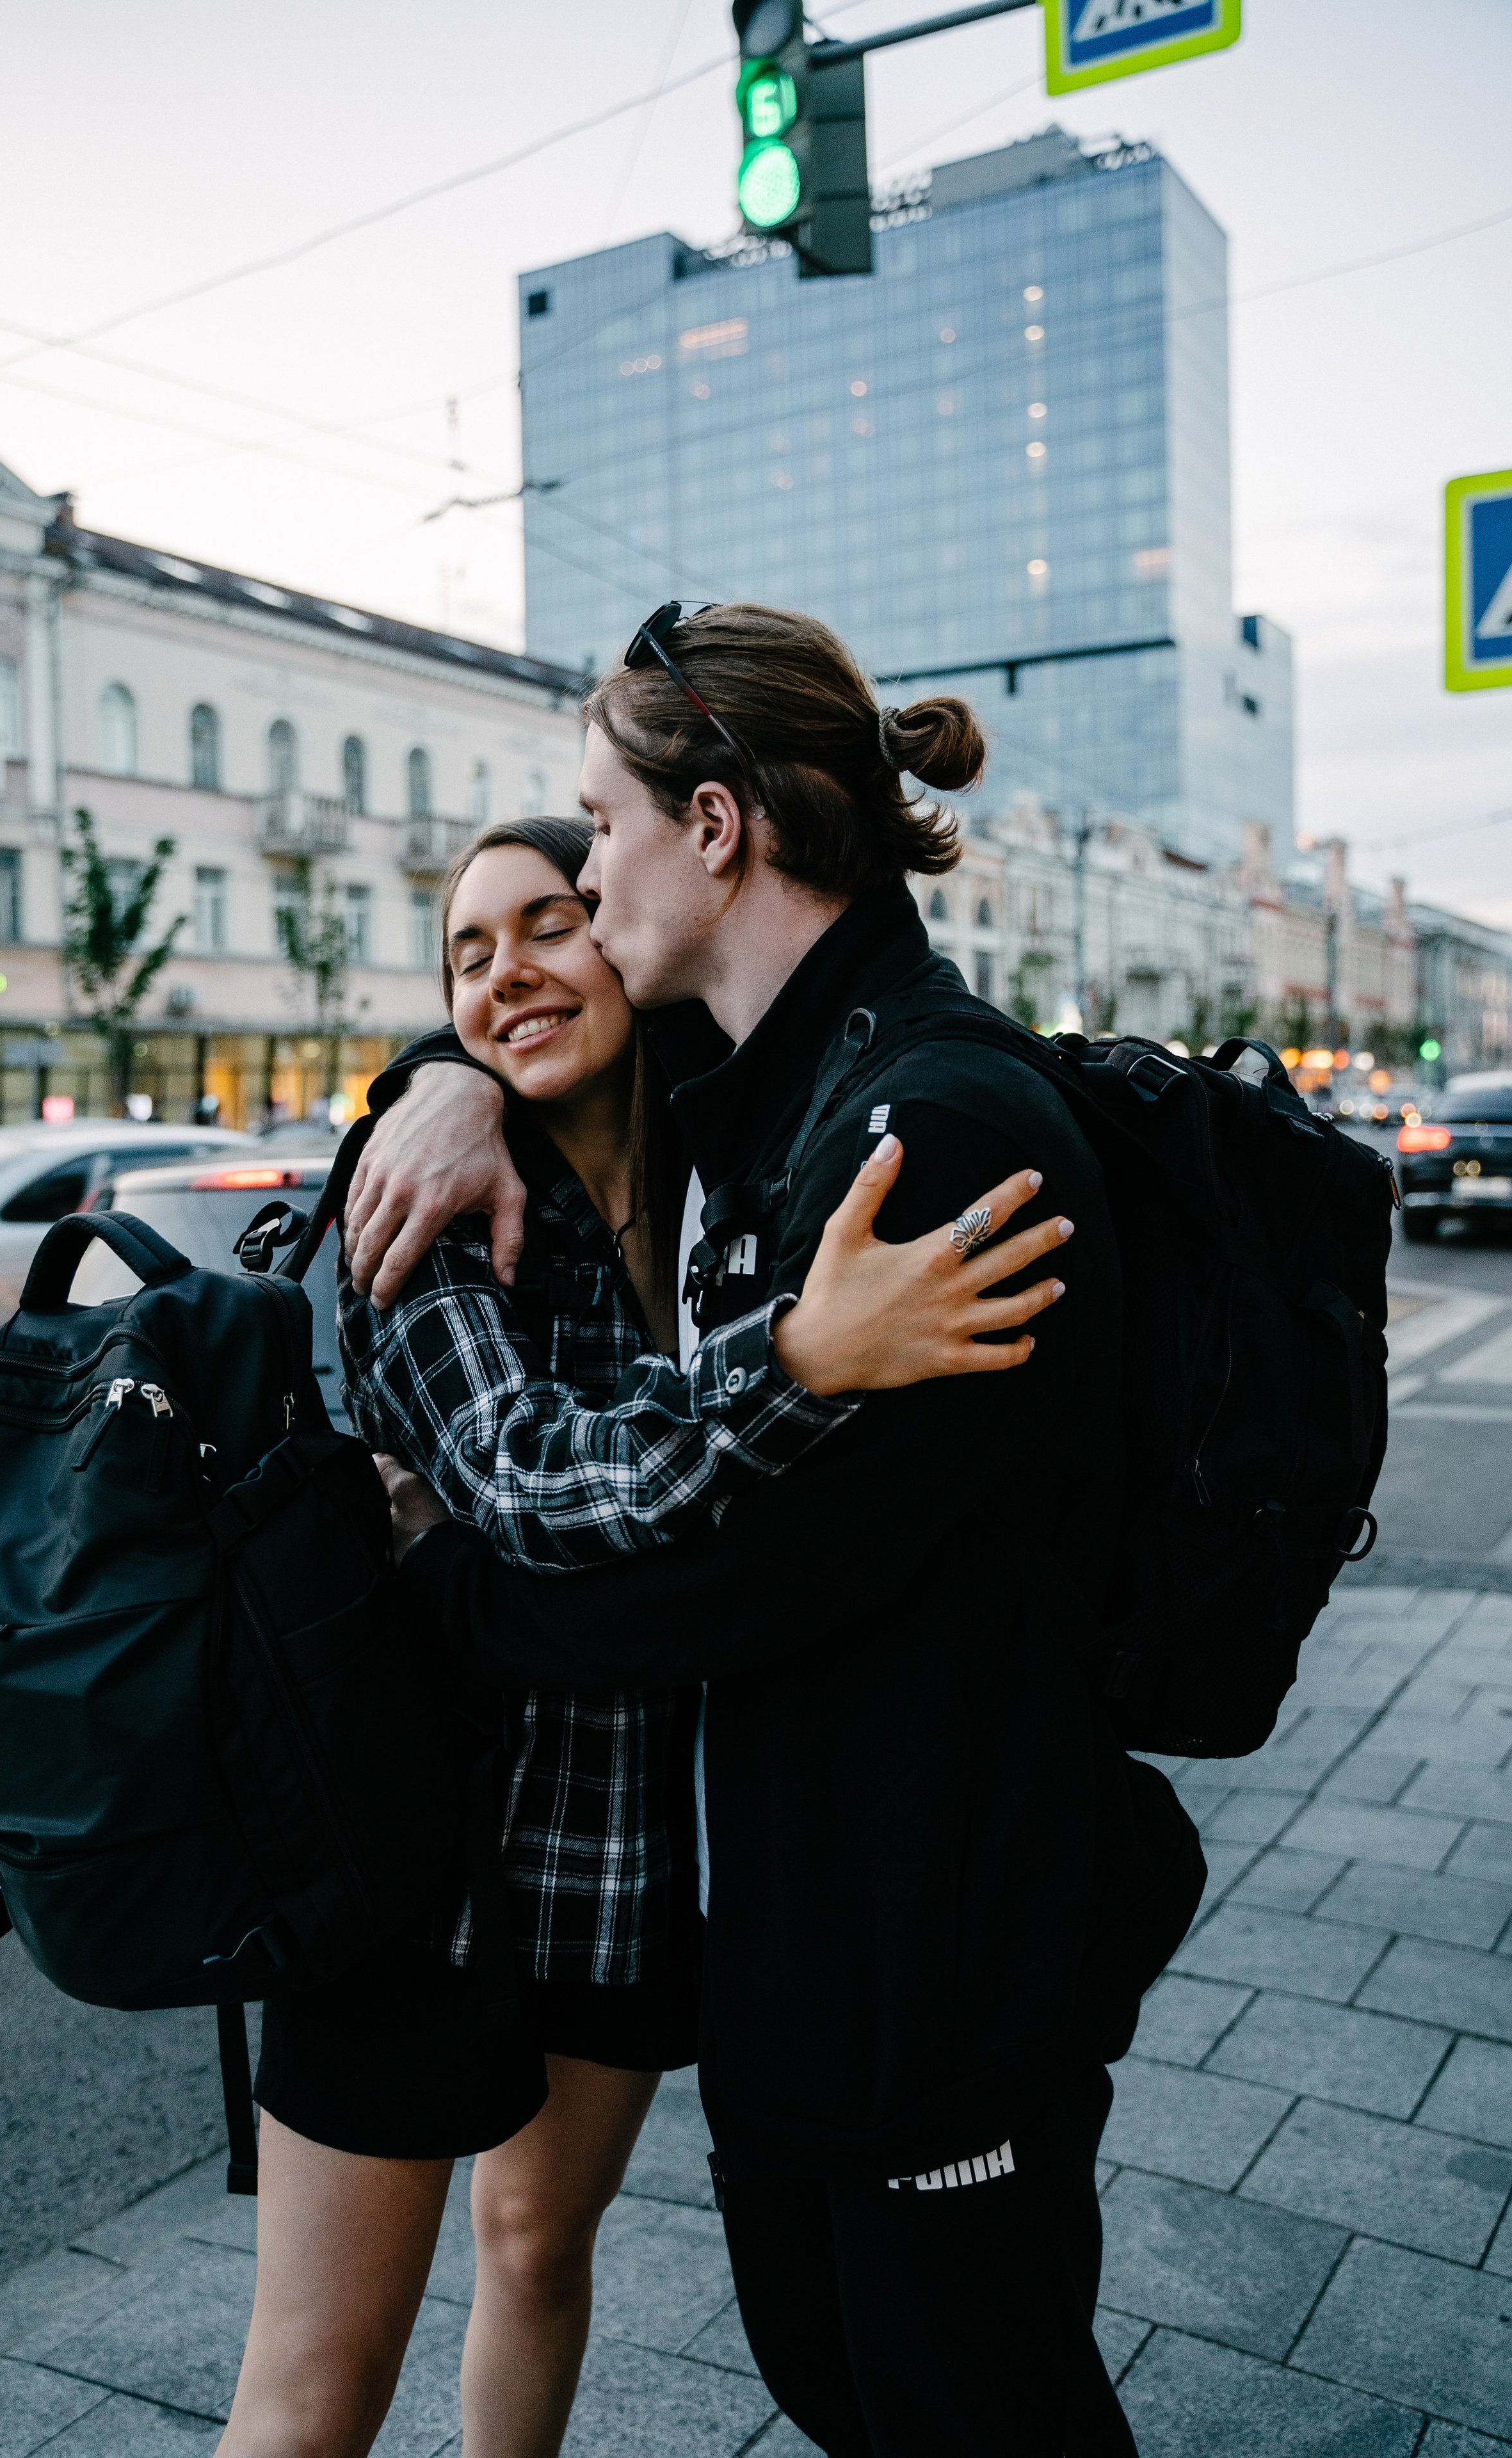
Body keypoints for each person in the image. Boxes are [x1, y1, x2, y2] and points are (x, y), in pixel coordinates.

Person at [345, 604, 1206, 2458]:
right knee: (844, 2384)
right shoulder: (782, 1096)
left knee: (975, 2412)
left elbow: (730, 1582)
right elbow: (555, 1043)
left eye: (603, 827)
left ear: (716, 829)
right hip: (808, 1938)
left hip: (940, 1947)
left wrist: (450, 1580)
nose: (588, 869)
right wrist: (451, 1076)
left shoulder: (932, 1128)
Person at [217, 814, 1071, 2458]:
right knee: (314, 2391)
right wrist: (799, 1364)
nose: (507, 971)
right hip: (411, 1884)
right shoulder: (437, 1211)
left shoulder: (726, 1176)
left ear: (621, 932)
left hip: (620, 1881)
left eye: (548, 921)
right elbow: (537, 1488)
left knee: (539, 2253)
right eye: (465, 955)